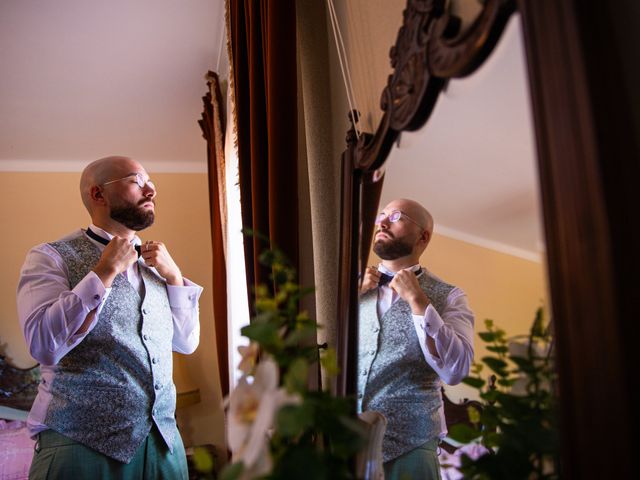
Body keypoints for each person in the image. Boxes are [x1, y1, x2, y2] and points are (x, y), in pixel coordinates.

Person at [17, 156, 202, 479]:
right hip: (79, 444)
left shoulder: (157, 264)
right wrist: (103, 272)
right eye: (136, 181)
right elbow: (43, 345)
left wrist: (174, 277)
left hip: (163, 447)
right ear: (98, 195)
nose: (150, 191)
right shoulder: (49, 257)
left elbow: (185, 343)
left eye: (151, 184)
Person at [358, 198, 474, 480]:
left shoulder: (450, 296)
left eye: (396, 216)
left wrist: (419, 301)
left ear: (424, 236)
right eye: (382, 215)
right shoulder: (349, 286)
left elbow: (456, 370)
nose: (382, 222)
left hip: (411, 449)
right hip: (346, 445)